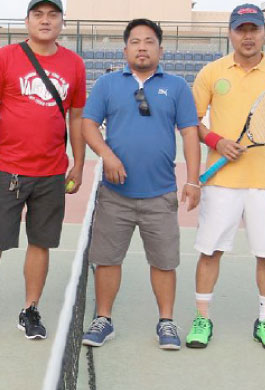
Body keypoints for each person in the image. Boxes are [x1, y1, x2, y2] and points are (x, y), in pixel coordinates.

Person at [0, 0, 86, 342]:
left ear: (61, 23)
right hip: (11, 171)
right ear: (27, 21)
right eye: (38, 14)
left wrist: (79, 161)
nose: (45, 20)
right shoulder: (5, 58)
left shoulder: (74, 64)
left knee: (41, 243)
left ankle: (30, 309)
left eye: (52, 15)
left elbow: (76, 117)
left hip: (52, 173)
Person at [80, 18, 200, 350]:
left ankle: (166, 322)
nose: (142, 47)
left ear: (161, 49)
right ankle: (103, 319)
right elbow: (88, 125)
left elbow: (190, 134)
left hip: (161, 195)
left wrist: (194, 180)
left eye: (149, 41)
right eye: (135, 41)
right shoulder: (107, 84)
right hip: (115, 194)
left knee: (164, 262)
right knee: (107, 259)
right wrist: (107, 156)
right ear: (125, 49)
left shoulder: (176, 86)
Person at [186, 4, 265, 350]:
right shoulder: (211, 72)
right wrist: (218, 141)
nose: (247, 36)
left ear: (264, 32)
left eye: (254, 29)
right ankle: (202, 320)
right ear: (230, 33)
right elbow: (192, 123)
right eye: (240, 29)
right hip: (221, 184)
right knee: (210, 252)